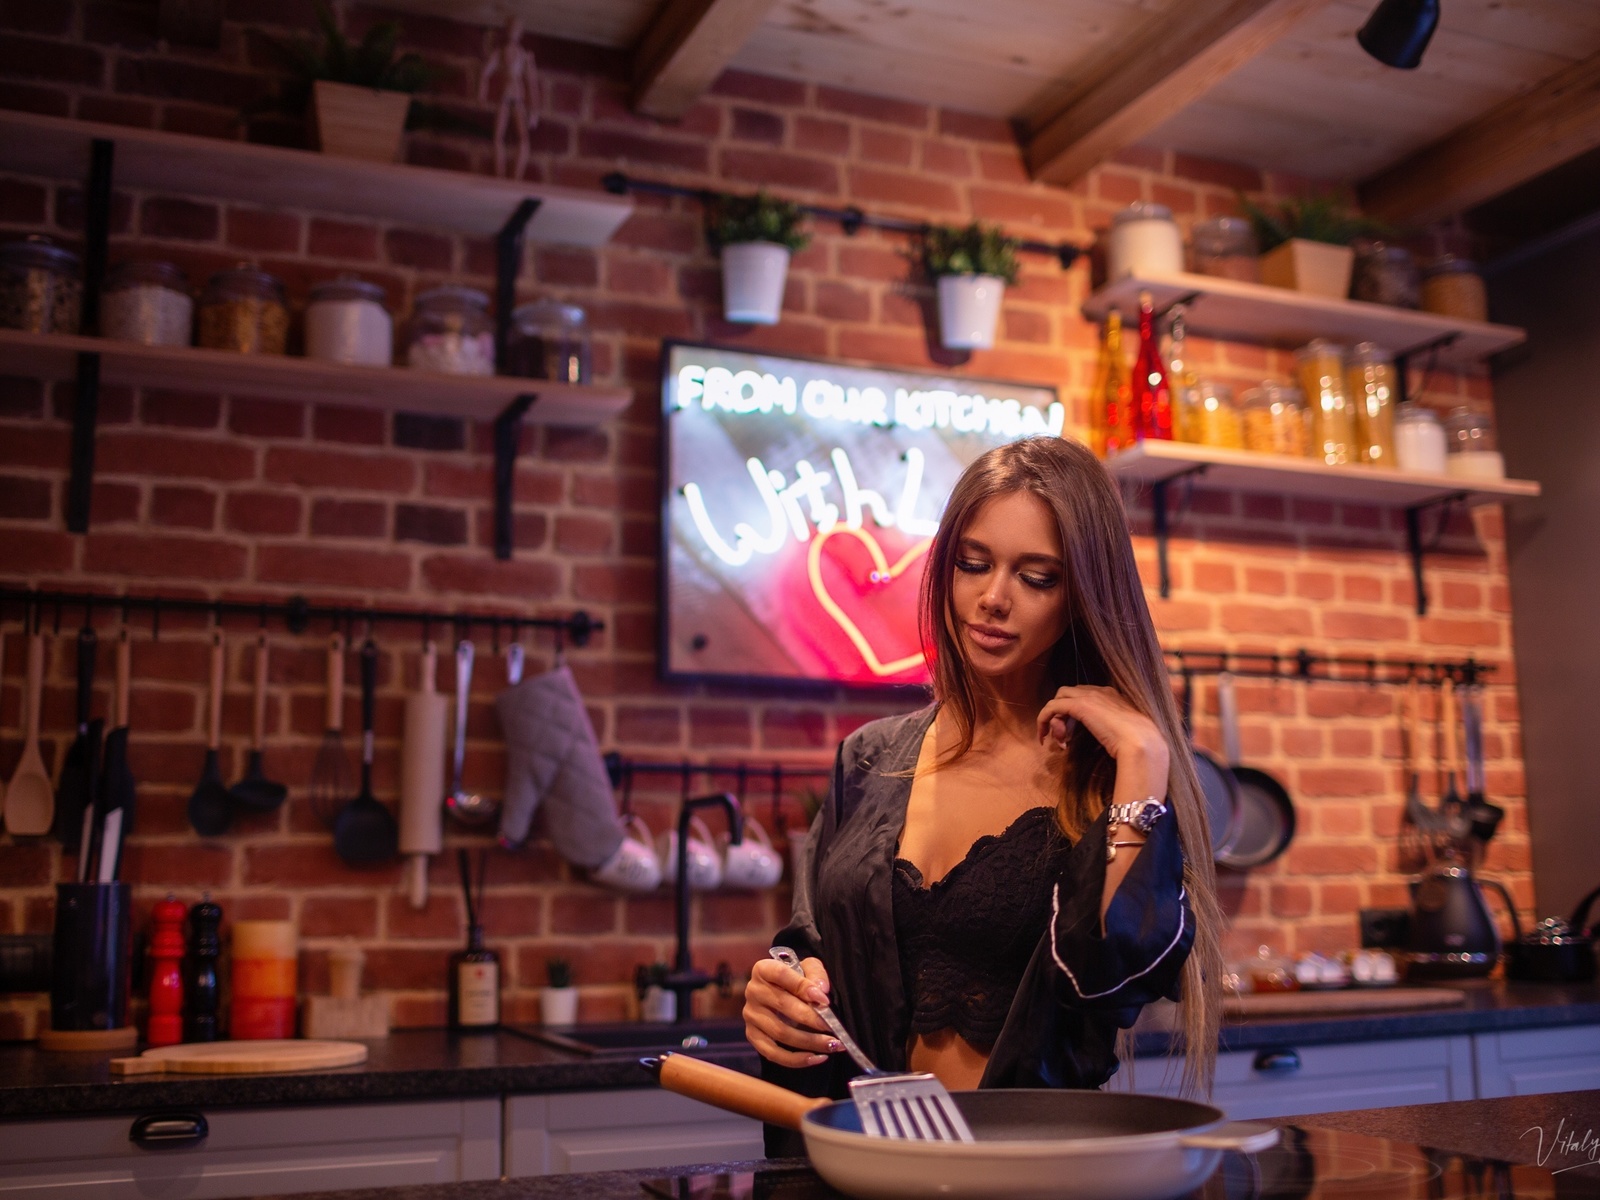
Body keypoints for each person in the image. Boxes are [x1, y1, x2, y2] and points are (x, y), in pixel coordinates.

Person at [743, 435, 1223, 1152]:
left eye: (1036, 578)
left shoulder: (1109, 777)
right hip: (855, 1166)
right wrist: (779, 990)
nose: (993, 599)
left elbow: (1114, 971)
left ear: (1082, 595)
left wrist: (1147, 759)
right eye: (973, 564)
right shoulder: (870, 760)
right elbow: (813, 943)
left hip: (1032, 1173)